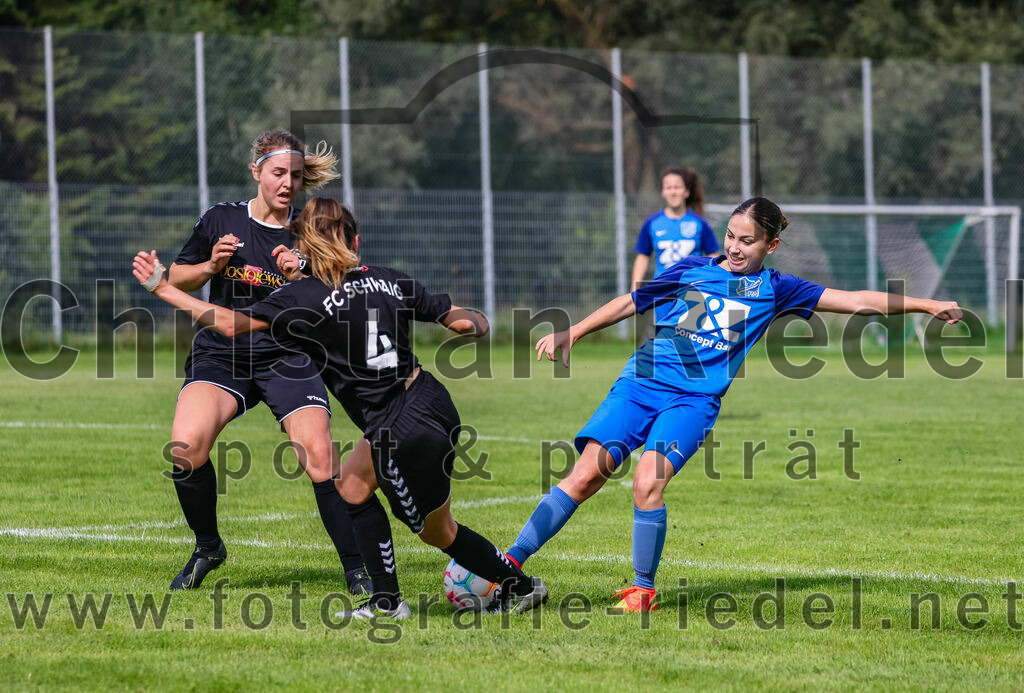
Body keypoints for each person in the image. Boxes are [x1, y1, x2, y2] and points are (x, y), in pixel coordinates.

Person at [505, 197, 963, 612]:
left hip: (695, 401)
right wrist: (574, 331)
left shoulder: (777, 288)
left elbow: (858, 301)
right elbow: (632, 301)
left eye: (748, 241)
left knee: (648, 482)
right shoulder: (690, 268)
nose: (736, 247)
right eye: (731, 236)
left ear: (772, 244)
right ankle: (507, 562)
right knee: (585, 475)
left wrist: (926, 304)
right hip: (641, 382)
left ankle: (642, 590)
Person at [133, 197, 548, 618]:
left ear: (305, 247)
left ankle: (518, 586)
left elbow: (228, 323)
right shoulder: (391, 280)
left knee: (437, 532)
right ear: (356, 240)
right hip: (429, 400)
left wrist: (162, 288)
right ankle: (386, 599)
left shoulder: (303, 297)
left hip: (397, 427)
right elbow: (467, 322)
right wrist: (476, 322)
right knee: (351, 485)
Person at [164, 129, 367, 594]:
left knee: (319, 455)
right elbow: (177, 276)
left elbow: (345, 288)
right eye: (278, 173)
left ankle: (357, 570)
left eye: (296, 175)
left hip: (288, 355)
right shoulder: (221, 220)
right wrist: (210, 268)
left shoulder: (309, 231)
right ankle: (208, 546)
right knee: (185, 447)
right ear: (257, 171)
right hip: (222, 353)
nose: (287, 183)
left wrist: (305, 274)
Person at [632, 167, 719, 290]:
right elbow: (642, 256)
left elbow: (712, 255)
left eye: (677, 187)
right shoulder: (652, 223)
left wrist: (712, 285)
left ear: (686, 192)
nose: (673, 192)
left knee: (695, 309)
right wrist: (634, 292)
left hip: (693, 290)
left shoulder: (699, 223)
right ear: (663, 192)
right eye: (669, 188)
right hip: (662, 290)